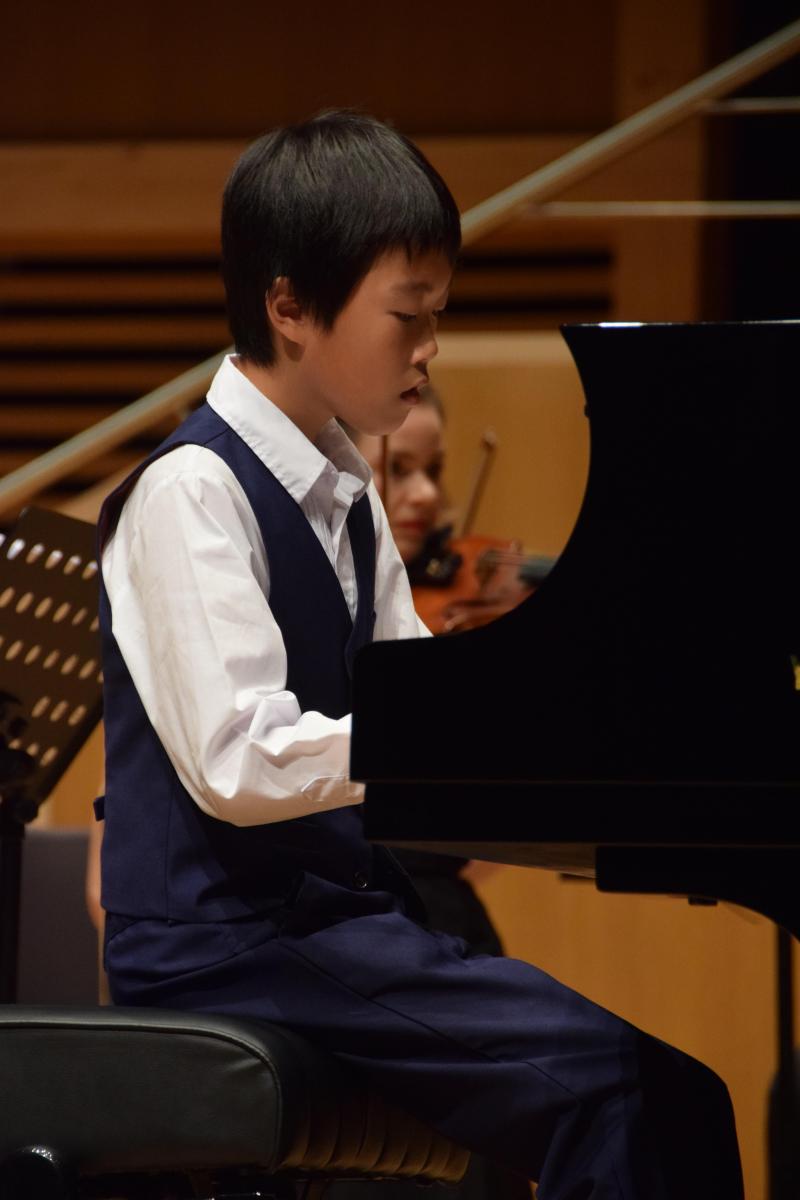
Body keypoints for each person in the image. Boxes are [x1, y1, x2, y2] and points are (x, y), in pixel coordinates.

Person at [96, 109, 743, 1200]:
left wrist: (576, 763)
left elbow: (425, 698)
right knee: (617, 1089)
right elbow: (239, 760)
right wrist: (457, 737)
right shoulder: (191, 491)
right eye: (409, 314)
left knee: (677, 1093)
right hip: (224, 946)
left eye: (438, 313)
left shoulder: (346, 494)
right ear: (289, 307)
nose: (431, 346)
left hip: (322, 927)